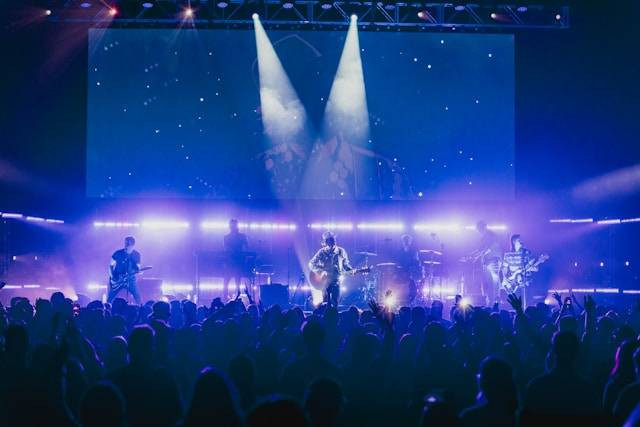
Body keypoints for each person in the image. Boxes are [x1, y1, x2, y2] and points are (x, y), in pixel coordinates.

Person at [308, 231, 353, 307]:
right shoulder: (322, 252)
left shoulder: (341, 251)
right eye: (330, 240)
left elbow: (346, 265)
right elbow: (311, 264)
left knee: (335, 302)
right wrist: (321, 271)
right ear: (326, 242)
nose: (333, 241)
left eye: (333, 239)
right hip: (324, 282)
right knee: (325, 303)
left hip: (336, 281)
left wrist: (351, 270)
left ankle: (333, 316)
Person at [108, 236, 142, 305]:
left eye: (128, 244)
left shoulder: (137, 255)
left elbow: (138, 267)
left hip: (130, 279)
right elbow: (110, 265)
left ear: (133, 245)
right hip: (118, 279)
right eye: (125, 243)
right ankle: (106, 309)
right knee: (110, 297)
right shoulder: (118, 253)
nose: (126, 246)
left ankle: (141, 309)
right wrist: (112, 277)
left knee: (137, 297)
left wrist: (139, 271)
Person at [475, 221, 502, 305]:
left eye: (480, 228)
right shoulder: (484, 237)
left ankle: (495, 303)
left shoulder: (490, 235)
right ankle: (491, 303)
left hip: (493, 260)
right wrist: (473, 254)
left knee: (494, 283)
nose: (479, 230)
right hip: (488, 262)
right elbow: (481, 249)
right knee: (490, 283)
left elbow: (489, 247)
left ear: (484, 227)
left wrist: (479, 255)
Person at [223, 219, 249, 301]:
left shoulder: (241, 236)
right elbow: (226, 249)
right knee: (227, 281)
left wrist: (245, 258)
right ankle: (226, 297)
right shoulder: (227, 237)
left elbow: (246, 247)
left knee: (236, 280)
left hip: (237, 262)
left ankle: (236, 296)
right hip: (231, 262)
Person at [396, 234, 419, 305]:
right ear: (402, 241)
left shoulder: (414, 251)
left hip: (410, 273)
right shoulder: (399, 251)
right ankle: (400, 301)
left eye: (408, 240)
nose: (406, 242)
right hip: (401, 273)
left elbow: (416, 262)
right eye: (405, 240)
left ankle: (411, 301)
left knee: (413, 288)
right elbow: (397, 262)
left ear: (410, 241)